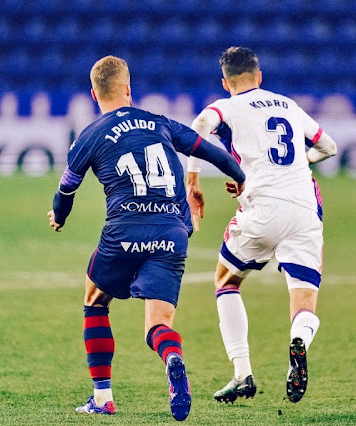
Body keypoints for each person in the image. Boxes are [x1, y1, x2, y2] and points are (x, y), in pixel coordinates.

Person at [47, 55, 245, 421]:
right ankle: (172, 357)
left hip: (123, 231)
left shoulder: (89, 135)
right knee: (158, 326)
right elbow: (212, 152)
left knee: (94, 299)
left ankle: (103, 398)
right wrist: (240, 179)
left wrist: (58, 217)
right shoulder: (161, 123)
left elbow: (66, 190)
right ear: (128, 88)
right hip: (171, 233)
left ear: (94, 93)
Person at [185, 46, 338, 403]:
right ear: (260, 75)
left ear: (225, 82)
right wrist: (299, 159)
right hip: (304, 208)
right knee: (304, 299)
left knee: (226, 280)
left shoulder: (228, 106)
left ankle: (242, 374)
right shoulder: (286, 104)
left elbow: (199, 127)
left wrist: (193, 180)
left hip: (262, 208)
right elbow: (328, 146)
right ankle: (299, 338)